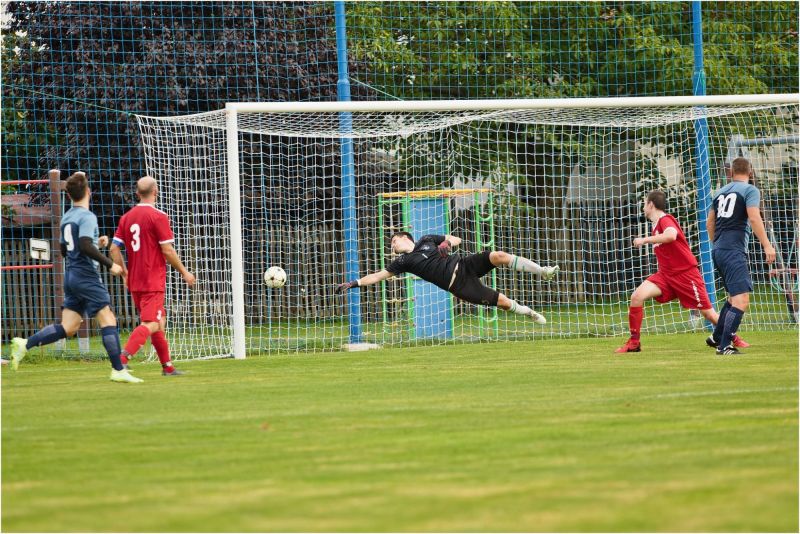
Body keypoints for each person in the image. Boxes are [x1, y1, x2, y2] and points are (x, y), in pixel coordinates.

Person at [9, 172, 142, 383]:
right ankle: (118, 369)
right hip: (86, 275)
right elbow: (84, 245)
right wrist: (111, 264)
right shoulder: (87, 216)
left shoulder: (67, 217)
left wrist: (96, 244)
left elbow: (65, 249)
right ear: (88, 192)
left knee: (68, 327)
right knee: (108, 318)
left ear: (69, 196)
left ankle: (25, 344)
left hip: (70, 275)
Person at [615, 190, 750, 354]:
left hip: (686, 275)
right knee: (637, 296)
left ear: (651, 204)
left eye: (644, 203)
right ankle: (634, 343)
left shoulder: (665, 220)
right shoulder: (656, 225)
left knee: (708, 313)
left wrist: (644, 240)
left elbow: (671, 235)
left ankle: (732, 338)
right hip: (666, 275)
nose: (643, 207)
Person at [336, 232, 559, 323]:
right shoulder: (402, 263)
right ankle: (529, 313)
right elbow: (377, 276)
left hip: (464, 264)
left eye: (393, 241)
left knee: (499, 255)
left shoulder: (426, 239)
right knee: (503, 302)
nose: (391, 245)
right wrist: (354, 283)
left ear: (405, 238)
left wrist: (446, 243)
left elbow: (457, 239)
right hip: (459, 286)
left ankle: (543, 271)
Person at [110, 176, 196, 375]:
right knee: (151, 323)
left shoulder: (127, 217)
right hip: (152, 280)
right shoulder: (158, 216)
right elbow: (167, 250)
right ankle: (121, 360)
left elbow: (114, 249)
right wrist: (185, 272)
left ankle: (168, 367)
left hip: (135, 281)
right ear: (156, 192)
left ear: (137, 194)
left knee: (160, 323)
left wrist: (124, 273)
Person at [706, 157, 776, 355]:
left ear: (730, 173)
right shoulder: (750, 190)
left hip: (718, 249)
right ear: (750, 172)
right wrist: (767, 245)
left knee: (732, 298)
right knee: (741, 300)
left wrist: (717, 244)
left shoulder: (719, 192)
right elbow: (754, 217)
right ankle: (725, 346)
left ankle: (717, 337)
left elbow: (709, 224)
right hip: (733, 250)